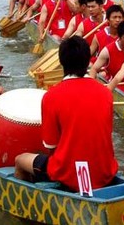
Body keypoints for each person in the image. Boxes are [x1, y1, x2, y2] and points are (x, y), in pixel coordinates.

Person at [14, 36, 118, 190]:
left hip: (72, 174)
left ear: (61, 62)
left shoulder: (51, 96)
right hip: (105, 171)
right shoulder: (106, 93)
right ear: (88, 61)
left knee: (19, 160)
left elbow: (51, 145)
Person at [89, 20, 124, 88]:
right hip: (115, 85)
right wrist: (91, 86)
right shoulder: (107, 51)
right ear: (119, 37)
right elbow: (93, 69)